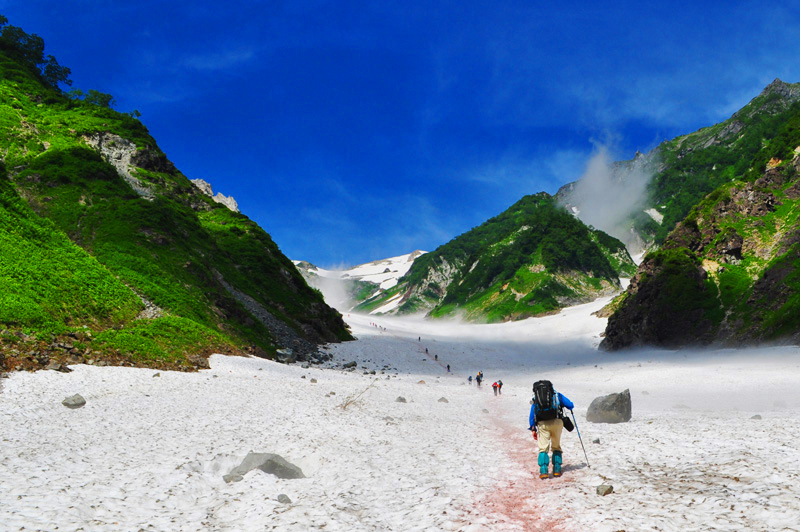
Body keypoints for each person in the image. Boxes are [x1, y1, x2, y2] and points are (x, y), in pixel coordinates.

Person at [528, 380, 574, 479]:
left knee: (543, 447)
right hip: (557, 423)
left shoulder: (536, 398)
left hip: (542, 424)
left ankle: (544, 470)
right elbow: (570, 405)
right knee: (556, 446)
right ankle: (557, 469)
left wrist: (532, 428)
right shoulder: (557, 395)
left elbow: (532, 414)